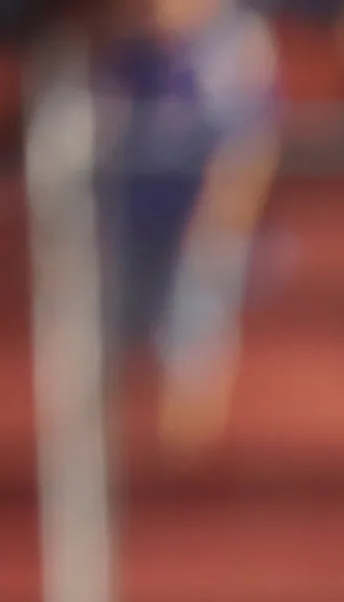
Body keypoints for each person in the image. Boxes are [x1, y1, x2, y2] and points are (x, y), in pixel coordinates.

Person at [92, 0, 279, 456]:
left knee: (194, 326)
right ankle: (118, 453)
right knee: (115, 331)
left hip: (201, 222)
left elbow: (252, 140)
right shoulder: (128, 42)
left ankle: (185, 457)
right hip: (131, 218)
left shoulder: (237, 43)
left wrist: (224, 218)